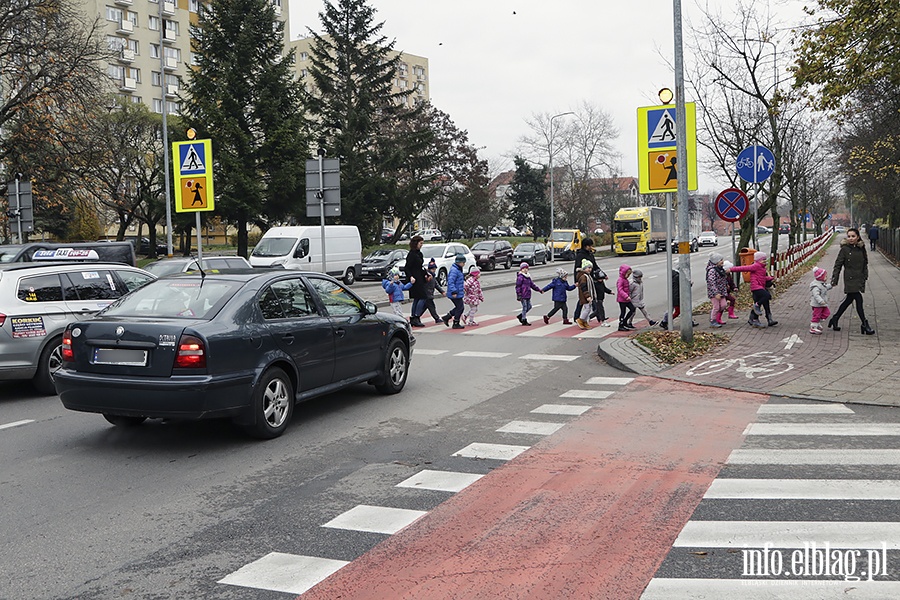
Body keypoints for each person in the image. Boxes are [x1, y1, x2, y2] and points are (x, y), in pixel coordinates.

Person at [828, 227, 875, 334]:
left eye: (853, 236)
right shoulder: (844, 249)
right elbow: (838, 265)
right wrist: (835, 279)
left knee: (848, 300)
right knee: (858, 300)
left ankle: (835, 318)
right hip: (849, 279)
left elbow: (865, 263)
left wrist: (865, 276)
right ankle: (864, 324)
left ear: (858, 237)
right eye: (849, 236)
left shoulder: (861, 248)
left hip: (859, 278)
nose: (851, 238)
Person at [729, 251, 777, 328]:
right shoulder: (756, 266)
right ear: (758, 260)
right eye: (763, 259)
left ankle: (755, 319)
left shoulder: (762, 267)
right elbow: (743, 268)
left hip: (761, 286)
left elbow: (762, 278)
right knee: (766, 297)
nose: (765, 261)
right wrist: (731, 269)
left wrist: (771, 278)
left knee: (763, 302)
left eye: (765, 259)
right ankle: (756, 316)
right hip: (756, 287)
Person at [405, 236, 427, 327]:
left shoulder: (419, 254)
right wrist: (410, 277)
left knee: (417, 298)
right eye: (420, 243)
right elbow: (407, 267)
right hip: (414, 279)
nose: (421, 245)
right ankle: (416, 316)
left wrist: (426, 274)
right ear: (415, 243)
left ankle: (413, 317)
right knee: (422, 297)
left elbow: (420, 266)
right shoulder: (411, 254)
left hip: (420, 278)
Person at [441, 254, 467, 329]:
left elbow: (459, 281)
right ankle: (455, 322)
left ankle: (447, 317)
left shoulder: (458, 269)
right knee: (460, 307)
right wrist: (454, 291)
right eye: (463, 262)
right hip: (455, 293)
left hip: (458, 291)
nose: (464, 264)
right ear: (460, 262)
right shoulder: (454, 270)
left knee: (459, 307)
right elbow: (451, 281)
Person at [706, 252, 729, 328]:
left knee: (724, 305)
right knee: (716, 307)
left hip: (721, 291)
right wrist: (716, 293)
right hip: (714, 293)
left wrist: (726, 284)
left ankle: (716, 317)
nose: (722, 261)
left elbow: (722, 278)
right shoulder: (712, 271)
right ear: (716, 262)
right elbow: (711, 282)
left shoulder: (720, 269)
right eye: (720, 260)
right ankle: (713, 320)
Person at [809, 267, 832, 335]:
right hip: (817, 304)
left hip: (823, 304)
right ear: (821, 277)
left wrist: (831, 285)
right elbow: (816, 295)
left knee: (826, 313)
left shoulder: (822, 284)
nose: (826, 277)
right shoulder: (816, 286)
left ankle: (817, 322)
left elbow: (825, 288)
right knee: (817, 315)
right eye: (825, 276)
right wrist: (820, 301)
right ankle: (813, 326)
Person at [422, 259, 445, 324]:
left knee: (424, 307)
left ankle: (416, 317)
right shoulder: (427, 276)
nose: (434, 271)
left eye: (434, 269)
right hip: (427, 294)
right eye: (433, 269)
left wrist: (442, 291)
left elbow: (436, 285)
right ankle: (436, 318)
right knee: (432, 307)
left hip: (429, 294)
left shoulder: (433, 276)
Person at [575, 259, 594, 330]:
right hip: (584, 296)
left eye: (591, 268)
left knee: (588, 309)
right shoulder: (583, 277)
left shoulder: (586, 276)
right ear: (584, 268)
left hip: (586, 295)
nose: (590, 269)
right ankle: (581, 320)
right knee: (587, 308)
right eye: (588, 268)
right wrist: (588, 296)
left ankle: (585, 322)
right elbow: (584, 287)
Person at [616, 264, 635, 331]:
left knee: (632, 309)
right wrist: (626, 296)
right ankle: (620, 325)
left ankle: (625, 321)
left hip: (626, 299)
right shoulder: (621, 280)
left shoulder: (625, 280)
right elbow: (620, 289)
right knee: (623, 312)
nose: (628, 276)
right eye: (628, 274)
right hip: (622, 299)